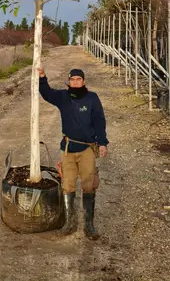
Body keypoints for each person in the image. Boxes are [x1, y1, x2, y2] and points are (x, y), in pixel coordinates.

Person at [37, 66, 108, 240]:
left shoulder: (92, 98)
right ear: (68, 82)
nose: (75, 82)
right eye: (72, 79)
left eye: (78, 79)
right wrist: (42, 77)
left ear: (84, 81)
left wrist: (103, 143)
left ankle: (89, 225)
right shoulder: (63, 97)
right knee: (68, 185)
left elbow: (99, 120)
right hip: (68, 149)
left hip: (87, 149)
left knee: (89, 184)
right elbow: (46, 93)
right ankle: (70, 223)